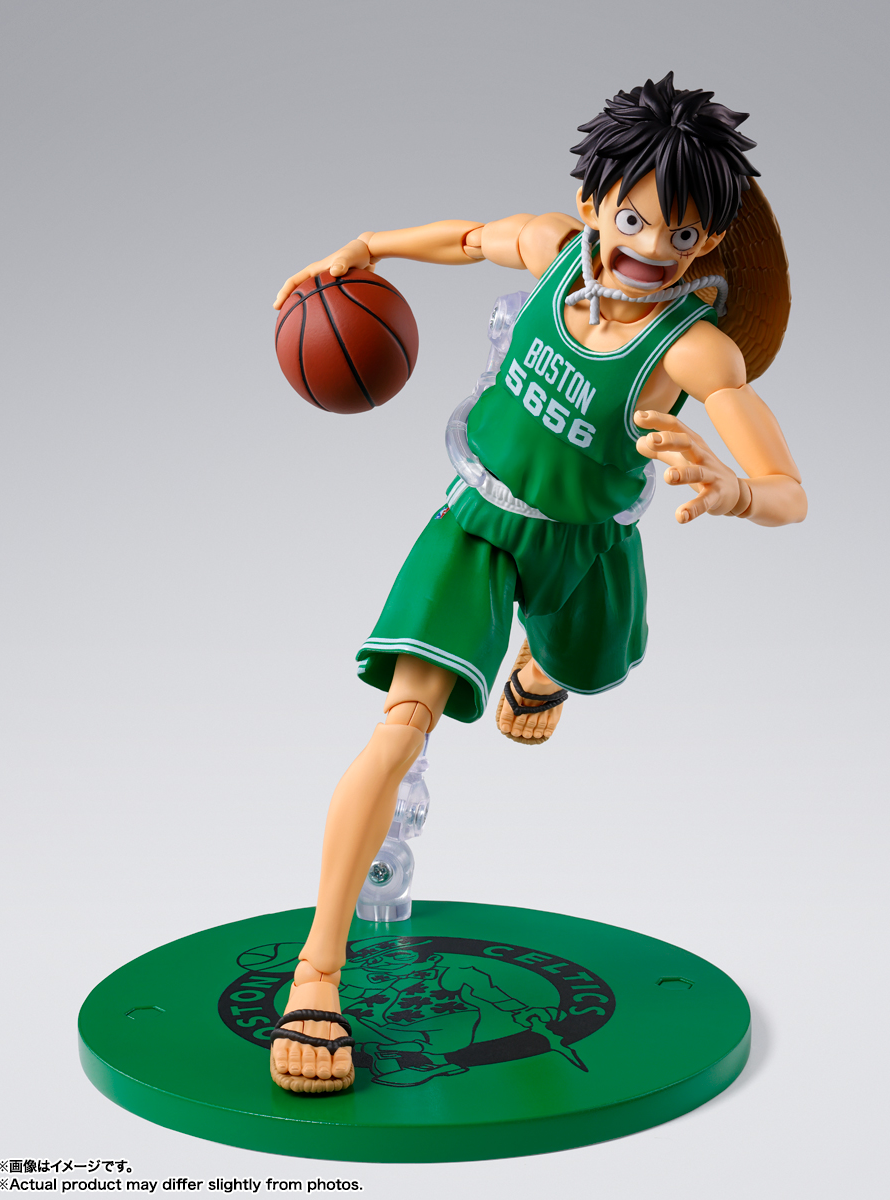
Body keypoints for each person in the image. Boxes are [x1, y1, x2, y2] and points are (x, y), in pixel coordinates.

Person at [267, 73, 806, 1093]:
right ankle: (318, 975)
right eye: (635, 217)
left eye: (682, 233)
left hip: (586, 543)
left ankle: (542, 667)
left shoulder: (693, 348)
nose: (651, 245)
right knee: (399, 727)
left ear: (707, 243)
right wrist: (368, 249)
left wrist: (737, 489)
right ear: (595, 199)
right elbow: (471, 237)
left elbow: (791, 492)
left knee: (587, 661)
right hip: (479, 522)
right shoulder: (557, 250)